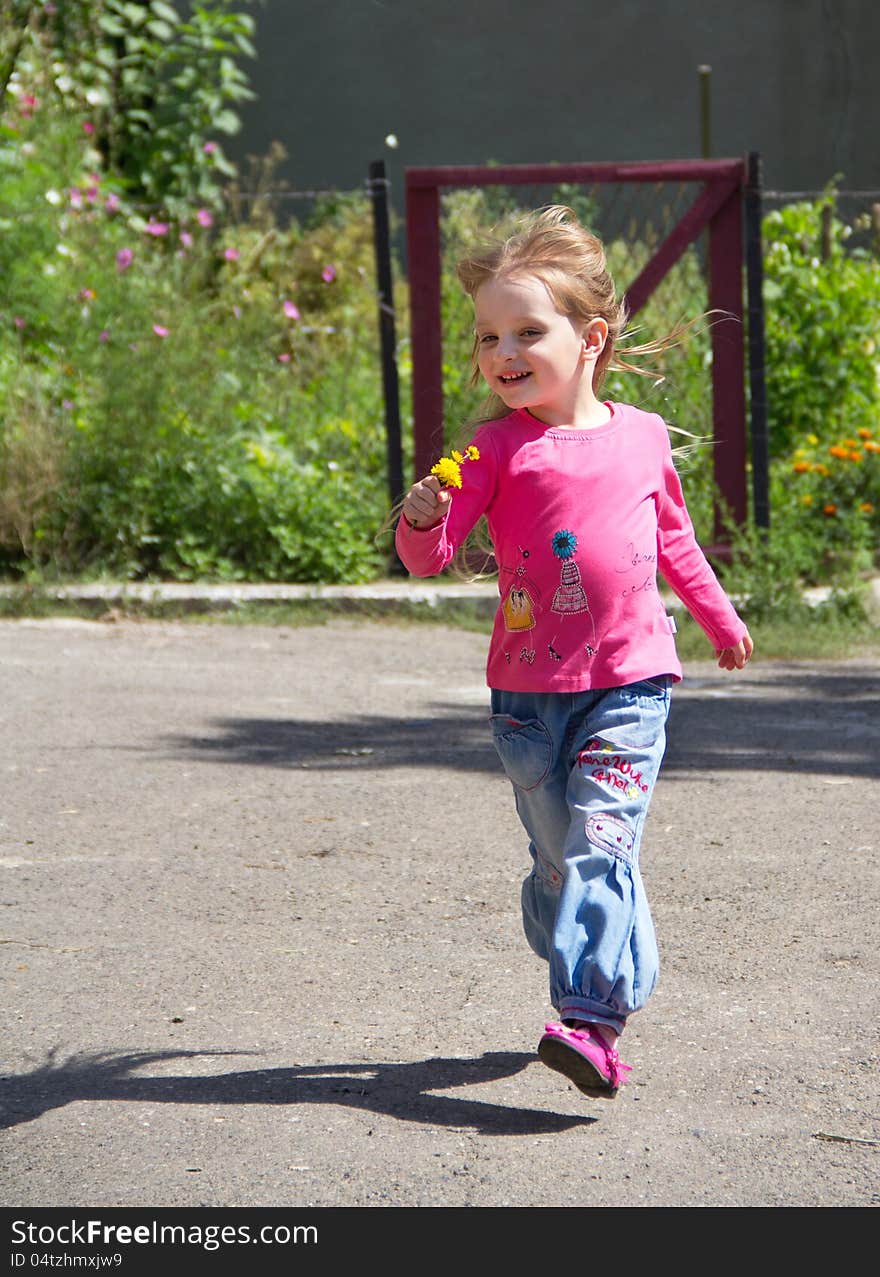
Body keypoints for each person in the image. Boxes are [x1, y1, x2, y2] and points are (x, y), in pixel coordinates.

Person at [394, 206, 753, 1100]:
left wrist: (716, 616)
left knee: (600, 840)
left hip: (632, 683)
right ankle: (583, 925)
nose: (502, 351)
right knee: (565, 859)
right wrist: (421, 517)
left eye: (526, 331)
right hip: (527, 698)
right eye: (487, 335)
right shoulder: (490, 449)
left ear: (590, 338)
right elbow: (428, 560)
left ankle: (590, 1019)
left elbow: (675, 540)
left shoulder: (641, 435)